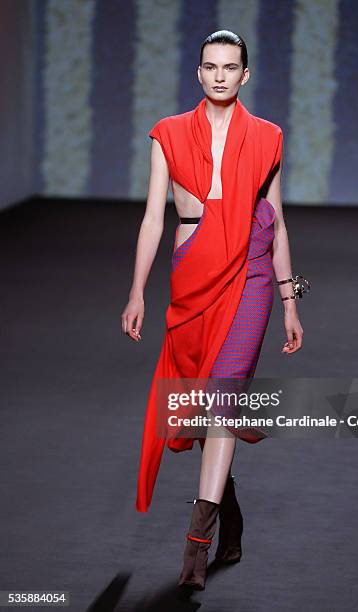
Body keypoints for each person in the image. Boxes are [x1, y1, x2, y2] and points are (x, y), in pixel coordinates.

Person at [121, 30, 307, 590]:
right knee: (202, 408)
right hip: (193, 275)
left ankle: (195, 545)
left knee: (222, 396)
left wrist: (289, 299)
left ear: (244, 75)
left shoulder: (268, 137)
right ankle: (231, 514)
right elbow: (154, 217)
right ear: (197, 73)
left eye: (231, 66)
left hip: (249, 274)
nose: (220, 75)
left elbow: (274, 220)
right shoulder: (168, 134)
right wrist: (137, 291)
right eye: (211, 66)